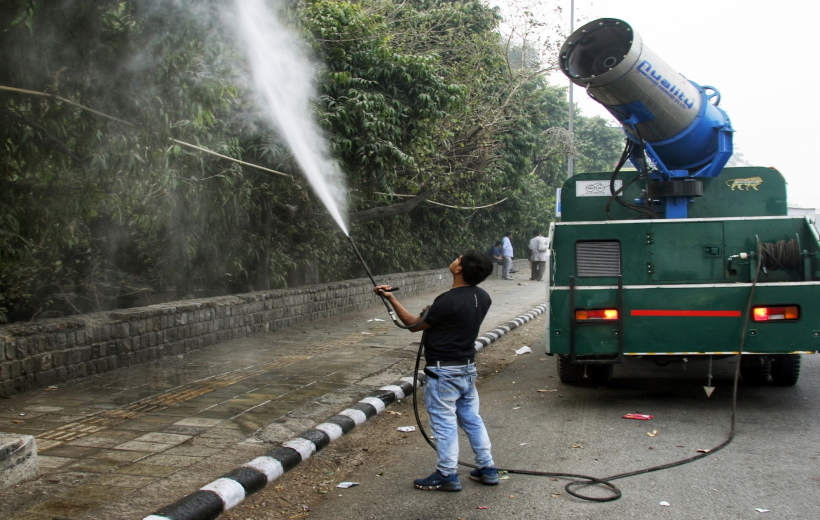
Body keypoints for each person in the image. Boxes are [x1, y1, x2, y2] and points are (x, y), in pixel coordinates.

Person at [373, 250, 498, 492]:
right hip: (467, 369)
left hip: (443, 373)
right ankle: (487, 468)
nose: (455, 259)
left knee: (444, 423)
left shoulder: (447, 301)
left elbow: (413, 325)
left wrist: (391, 299)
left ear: (459, 269)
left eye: (458, 258)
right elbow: (451, 321)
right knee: (472, 419)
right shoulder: (483, 297)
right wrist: (433, 313)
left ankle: (447, 474)